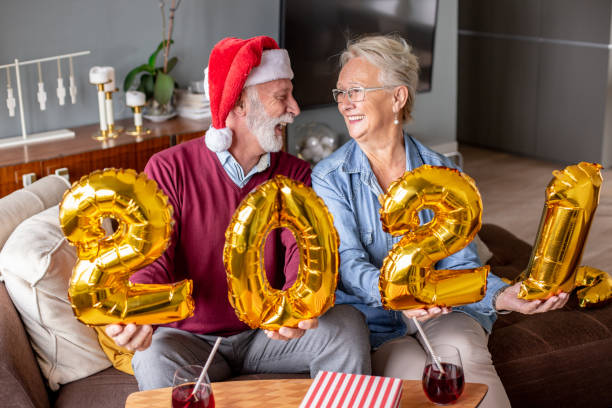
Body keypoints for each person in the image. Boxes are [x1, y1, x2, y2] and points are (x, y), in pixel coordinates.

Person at [311, 34, 569, 408]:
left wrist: (505, 296)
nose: (344, 103)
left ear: (397, 97)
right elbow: (348, 265)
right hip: (378, 323)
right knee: (417, 373)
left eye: (356, 91)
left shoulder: (443, 170)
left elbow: (461, 265)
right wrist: (400, 296)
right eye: (340, 93)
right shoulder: (329, 176)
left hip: (445, 312)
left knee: (465, 356)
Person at [105, 36, 371, 390]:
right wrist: (140, 312)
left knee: (347, 325)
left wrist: (296, 305)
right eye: (281, 97)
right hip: (190, 342)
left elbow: (302, 251)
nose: (294, 108)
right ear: (241, 102)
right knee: (152, 356)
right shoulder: (169, 168)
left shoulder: (295, 173)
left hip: (268, 336)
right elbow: (152, 257)